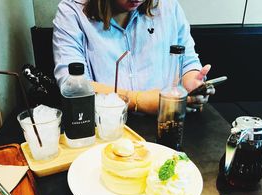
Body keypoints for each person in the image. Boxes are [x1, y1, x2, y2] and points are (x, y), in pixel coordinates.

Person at [53, 0, 215, 114]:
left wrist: (192, 82)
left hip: (163, 122)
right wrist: (139, 100)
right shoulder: (72, 12)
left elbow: (187, 61)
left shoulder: (169, 7)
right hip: (106, 126)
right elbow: (73, 86)